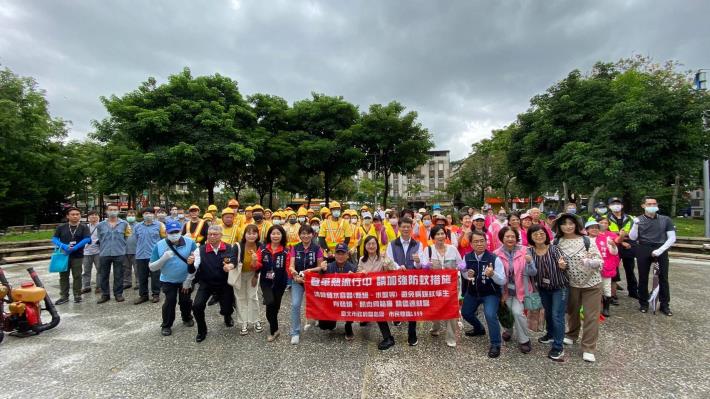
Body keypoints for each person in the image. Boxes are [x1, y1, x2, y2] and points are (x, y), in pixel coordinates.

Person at [555, 213, 603, 363]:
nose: (568, 226)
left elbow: (599, 261)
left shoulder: (586, 240)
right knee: (572, 312)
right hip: (570, 284)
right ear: (559, 226)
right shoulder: (556, 242)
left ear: (576, 224)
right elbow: (553, 260)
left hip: (592, 284)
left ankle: (588, 347)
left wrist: (590, 262)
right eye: (564, 223)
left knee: (591, 316)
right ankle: (571, 334)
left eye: (571, 223)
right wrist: (559, 265)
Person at [460, 230, 506, 358]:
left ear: (486, 242)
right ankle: (479, 328)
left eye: (482, 241)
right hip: (473, 292)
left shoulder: (494, 258)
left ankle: (496, 344)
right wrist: (467, 274)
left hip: (490, 293)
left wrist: (493, 274)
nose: (479, 244)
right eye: (476, 241)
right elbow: (463, 272)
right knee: (465, 313)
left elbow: (503, 280)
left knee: (490, 315)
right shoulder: (467, 257)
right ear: (471, 244)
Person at [149, 221, 199, 336]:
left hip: (185, 279)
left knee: (185, 300)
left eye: (177, 232)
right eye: (171, 232)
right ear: (166, 233)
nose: (174, 234)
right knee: (170, 301)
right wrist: (163, 258)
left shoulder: (190, 243)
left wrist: (188, 280)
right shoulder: (160, 245)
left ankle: (187, 318)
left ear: (181, 232)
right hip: (168, 279)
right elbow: (152, 267)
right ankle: (166, 325)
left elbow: (196, 262)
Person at [527, 224, 568, 362]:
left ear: (546, 234)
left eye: (541, 233)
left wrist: (563, 265)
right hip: (543, 288)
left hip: (559, 287)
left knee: (557, 315)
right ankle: (550, 334)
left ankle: (558, 346)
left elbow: (563, 262)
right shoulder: (530, 252)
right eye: (535, 234)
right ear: (531, 237)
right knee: (549, 313)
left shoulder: (554, 249)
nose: (539, 236)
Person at [629, 196, 676, 316]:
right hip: (643, 248)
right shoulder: (638, 220)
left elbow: (672, 238)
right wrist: (635, 225)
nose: (652, 206)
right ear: (643, 206)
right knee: (643, 277)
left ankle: (664, 305)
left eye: (654, 203)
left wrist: (660, 250)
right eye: (649, 204)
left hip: (661, 247)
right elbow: (633, 237)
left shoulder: (665, 219)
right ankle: (643, 303)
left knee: (663, 278)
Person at [420, 225, 465, 347]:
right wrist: (425, 266)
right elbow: (423, 269)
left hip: (451, 287)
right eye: (437, 234)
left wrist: (462, 267)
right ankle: (435, 327)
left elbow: (461, 263)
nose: (440, 236)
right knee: (436, 310)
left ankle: (451, 337)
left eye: (442, 234)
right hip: (435, 288)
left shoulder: (452, 249)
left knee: (452, 311)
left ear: (446, 235)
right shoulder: (428, 250)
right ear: (433, 237)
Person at [494, 226, 536, 353]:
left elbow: (533, 273)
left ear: (516, 238)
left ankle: (524, 340)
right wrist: (501, 294)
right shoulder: (496, 254)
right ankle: (509, 330)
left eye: (512, 236)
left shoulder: (525, 251)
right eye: (507, 236)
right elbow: (497, 275)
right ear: (502, 238)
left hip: (521, 291)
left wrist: (529, 263)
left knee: (517, 312)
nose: (510, 239)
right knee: (506, 312)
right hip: (505, 291)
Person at [385, 216, 424, 346]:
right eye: (403, 226)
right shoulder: (392, 244)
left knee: (412, 306)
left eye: (408, 226)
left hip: (412, 280)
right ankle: (396, 317)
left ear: (412, 228)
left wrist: (418, 262)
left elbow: (420, 265)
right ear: (399, 228)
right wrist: (398, 267)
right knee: (397, 300)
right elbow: (389, 261)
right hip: (396, 279)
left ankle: (412, 333)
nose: (406, 229)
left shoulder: (418, 244)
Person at [193, 225, 235, 342]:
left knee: (227, 308)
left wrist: (231, 266)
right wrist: (190, 265)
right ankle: (202, 330)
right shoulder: (200, 250)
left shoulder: (229, 247)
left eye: (215, 234)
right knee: (197, 306)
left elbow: (234, 262)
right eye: (210, 234)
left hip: (224, 283)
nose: (212, 236)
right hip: (206, 283)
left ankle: (227, 316)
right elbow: (194, 267)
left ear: (221, 235)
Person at [356, 236, 398, 350]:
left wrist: (387, 262)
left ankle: (388, 337)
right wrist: (361, 272)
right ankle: (365, 319)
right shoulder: (361, 259)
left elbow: (392, 270)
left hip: (380, 292)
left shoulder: (383, 257)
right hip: (367, 291)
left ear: (377, 245)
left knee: (379, 312)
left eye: (373, 244)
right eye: (368, 244)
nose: (371, 246)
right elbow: (358, 272)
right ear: (365, 246)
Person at [288, 224, 324, 345]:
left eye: (308, 233)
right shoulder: (295, 248)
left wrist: (310, 271)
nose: (305, 235)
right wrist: (294, 274)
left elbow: (320, 267)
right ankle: (295, 332)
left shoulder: (317, 248)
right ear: (299, 235)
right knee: (295, 304)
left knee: (316, 302)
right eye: (303, 233)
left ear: (312, 235)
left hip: (312, 280)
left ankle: (317, 319)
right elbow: (291, 265)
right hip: (298, 280)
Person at [254, 225, 290, 342]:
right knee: (270, 302)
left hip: (280, 282)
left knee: (275, 307)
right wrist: (254, 261)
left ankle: (274, 326)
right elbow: (257, 265)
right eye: (273, 233)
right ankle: (274, 330)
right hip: (266, 282)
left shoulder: (286, 250)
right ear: (269, 235)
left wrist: (293, 276)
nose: (275, 236)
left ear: (282, 236)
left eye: (278, 233)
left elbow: (289, 268)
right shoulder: (263, 249)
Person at [317, 243, 357, 341]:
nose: (340, 256)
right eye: (338, 253)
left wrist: (355, 277)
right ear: (334, 254)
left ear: (347, 255)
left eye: (343, 253)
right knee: (324, 326)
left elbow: (358, 286)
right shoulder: (328, 266)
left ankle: (348, 325)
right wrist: (322, 271)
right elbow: (318, 281)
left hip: (347, 299)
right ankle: (332, 320)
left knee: (352, 301)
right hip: (331, 299)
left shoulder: (353, 268)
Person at [52, 207, 91, 305]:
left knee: (77, 275)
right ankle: (64, 296)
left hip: (77, 255)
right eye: (73, 214)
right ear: (67, 216)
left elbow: (87, 239)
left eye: (77, 214)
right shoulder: (61, 227)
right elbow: (55, 239)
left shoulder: (84, 227)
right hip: (64, 255)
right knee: (63, 276)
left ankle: (77, 295)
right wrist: (64, 246)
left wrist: (76, 247)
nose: (75, 216)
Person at [96, 204, 132, 304]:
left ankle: (118, 294)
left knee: (119, 274)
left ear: (119, 211)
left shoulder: (124, 224)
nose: (113, 211)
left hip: (119, 253)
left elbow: (126, 237)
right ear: (106, 211)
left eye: (115, 209)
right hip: (104, 253)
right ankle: (105, 294)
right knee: (103, 275)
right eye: (110, 209)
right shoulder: (101, 225)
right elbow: (100, 238)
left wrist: (121, 246)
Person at [232, 224, 263, 335]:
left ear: (257, 235)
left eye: (254, 233)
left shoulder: (260, 246)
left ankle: (256, 320)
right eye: (248, 233)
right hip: (239, 274)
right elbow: (233, 259)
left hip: (252, 274)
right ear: (244, 234)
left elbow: (261, 263)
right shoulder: (238, 246)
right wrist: (230, 265)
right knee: (240, 298)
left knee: (252, 296)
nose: (251, 236)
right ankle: (243, 322)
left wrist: (256, 276)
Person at [586, 219, 619, 317]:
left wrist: (613, 246)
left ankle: (606, 308)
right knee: (589, 288)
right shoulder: (583, 239)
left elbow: (614, 252)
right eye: (592, 228)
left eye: (597, 228)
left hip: (605, 267)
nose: (594, 230)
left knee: (606, 288)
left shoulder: (606, 239)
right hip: (589, 268)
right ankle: (589, 308)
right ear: (587, 230)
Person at [607, 197, 638, 300]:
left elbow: (633, 233)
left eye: (618, 203)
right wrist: (622, 240)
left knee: (630, 269)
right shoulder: (605, 218)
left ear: (622, 206)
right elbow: (606, 233)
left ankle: (633, 291)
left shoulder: (630, 218)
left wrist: (624, 238)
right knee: (612, 269)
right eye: (613, 203)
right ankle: (612, 293)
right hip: (613, 245)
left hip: (629, 245)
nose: (616, 206)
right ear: (609, 206)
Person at [133, 209, 166, 304]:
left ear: (154, 214)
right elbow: (136, 239)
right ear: (143, 214)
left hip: (154, 255)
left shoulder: (159, 225)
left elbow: (163, 239)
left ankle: (156, 294)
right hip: (140, 255)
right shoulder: (137, 226)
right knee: (142, 276)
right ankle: (143, 295)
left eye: (150, 213)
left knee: (155, 276)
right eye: (146, 213)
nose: (148, 215)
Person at [81, 210, 102, 294]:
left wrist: (100, 240)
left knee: (100, 270)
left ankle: (99, 286)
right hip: (86, 252)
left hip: (98, 251)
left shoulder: (101, 226)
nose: (94, 216)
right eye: (91, 215)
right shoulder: (85, 227)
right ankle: (86, 286)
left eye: (96, 215)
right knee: (86, 271)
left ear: (98, 217)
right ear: (88, 217)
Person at [123, 209, 138, 290]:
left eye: (132, 215)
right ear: (126, 217)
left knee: (137, 268)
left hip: (136, 250)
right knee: (125, 268)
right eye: (129, 215)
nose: (131, 217)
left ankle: (138, 282)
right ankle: (127, 282)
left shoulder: (139, 225)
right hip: (124, 250)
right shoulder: (123, 225)